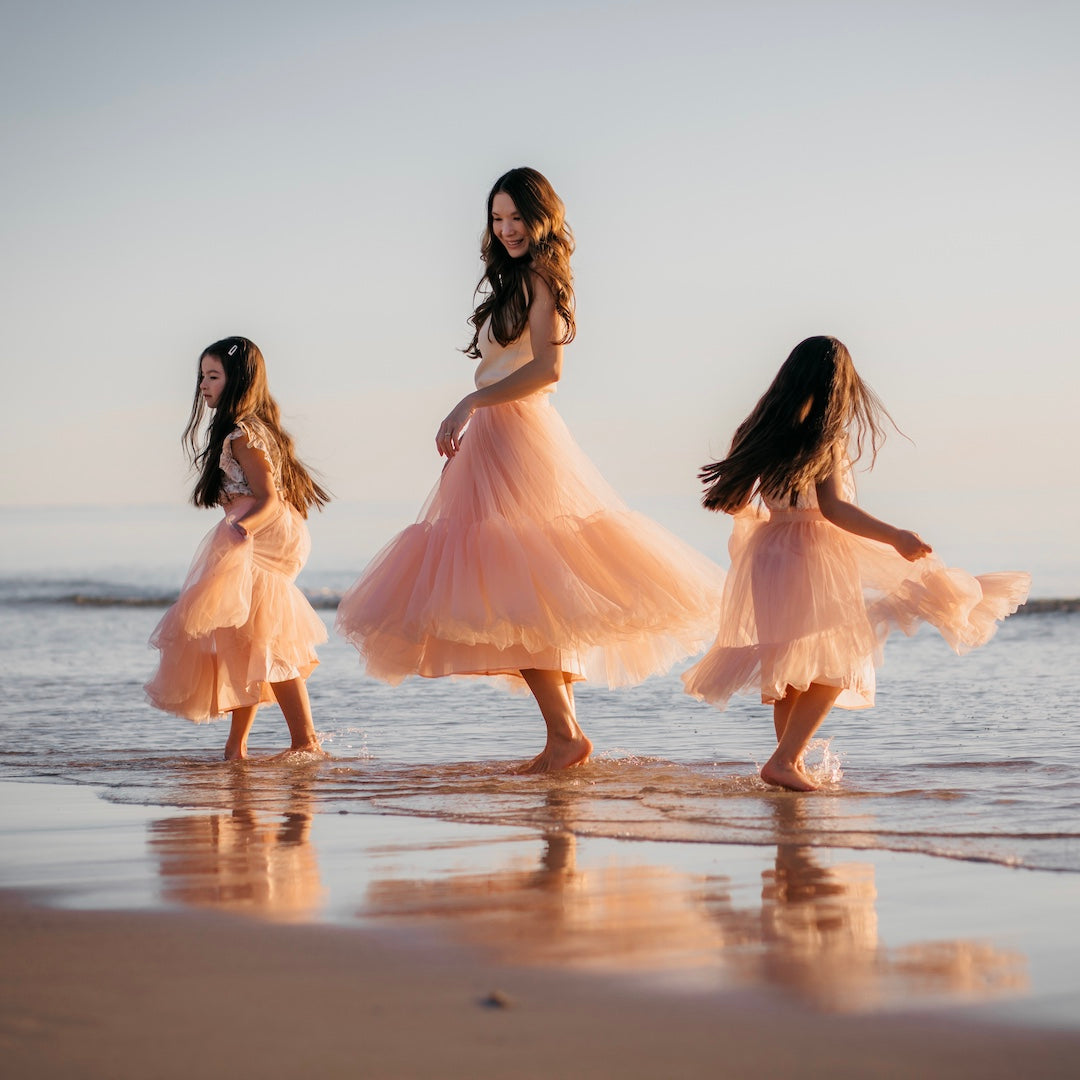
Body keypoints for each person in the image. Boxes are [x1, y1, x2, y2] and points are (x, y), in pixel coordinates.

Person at [335, 167, 725, 773]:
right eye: (498, 218)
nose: (507, 229)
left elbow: (549, 370)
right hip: (494, 439)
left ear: (541, 219)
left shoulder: (543, 278)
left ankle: (566, 736)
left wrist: (469, 403)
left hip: (518, 436)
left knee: (524, 586)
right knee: (521, 589)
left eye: (517, 217)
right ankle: (562, 735)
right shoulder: (510, 282)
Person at [682, 335, 1030, 791]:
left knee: (790, 671)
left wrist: (767, 520)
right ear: (837, 388)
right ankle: (784, 761)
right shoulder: (821, 439)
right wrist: (896, 537)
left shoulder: (758, 430)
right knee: (840, 661)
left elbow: (734, 502)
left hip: (768, 554)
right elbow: (835, 510)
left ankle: (791, 763)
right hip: (812, 554)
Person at [146, 336, 330, 760]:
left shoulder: (244, 434)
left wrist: (240, 530)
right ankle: (237, 746)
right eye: (201, 377)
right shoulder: (241, 431)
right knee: (244, 638)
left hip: (260, 537)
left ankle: (306, 742)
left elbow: (269, 499)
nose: (203, 386)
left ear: (238, 381)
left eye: (213, 376)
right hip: (252, 533)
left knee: (267, 638)